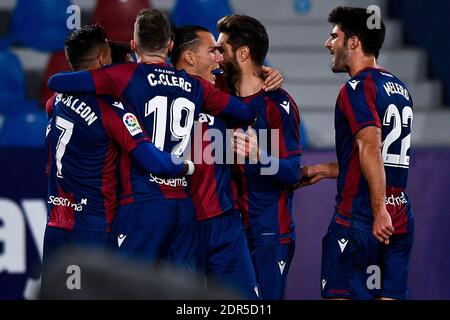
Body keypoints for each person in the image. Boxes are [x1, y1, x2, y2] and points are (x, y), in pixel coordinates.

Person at [47, 9, 258, 270]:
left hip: (141, 201)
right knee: (180, 291)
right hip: (182, 204)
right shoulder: (195, 86)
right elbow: (246, 112)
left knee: (129, 287)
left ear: (134, 45)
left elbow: (58, 82)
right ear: (170, 45)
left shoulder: (123, 75)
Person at [42, 25, 193, 292]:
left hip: (56, 223)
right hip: (91, 228)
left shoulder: (55, 102)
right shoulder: (110, 109)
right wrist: (186, 165)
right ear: (103, 59)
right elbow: (155, 162)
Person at [298, 6, 414, 300]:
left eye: (334, 36)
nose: (328, 44)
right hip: (399, 216)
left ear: (353, 42)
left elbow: (371, 147)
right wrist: (324, 169)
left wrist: (377, 212)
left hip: (361, 218)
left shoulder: (356, 87)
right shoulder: (400, 88)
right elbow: (378, 158)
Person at [217, 14, 302, 300]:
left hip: (269, 233)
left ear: (242, 53)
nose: (217, 57)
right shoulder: (217, 93)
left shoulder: (279, 104)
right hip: (228, 231)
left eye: (222, 49)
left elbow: (292, 171)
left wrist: (259, 155)